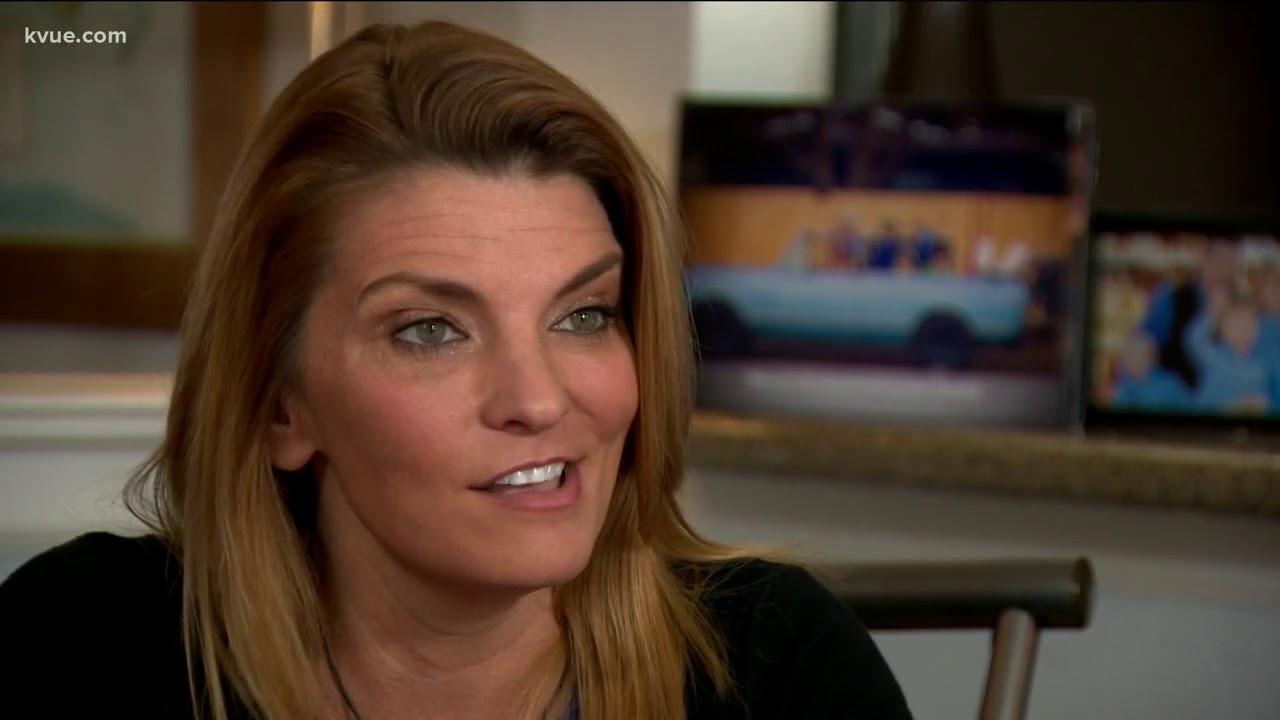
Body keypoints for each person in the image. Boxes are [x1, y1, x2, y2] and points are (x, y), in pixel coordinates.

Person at [0, 20, 912, 720]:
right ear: (281, 405)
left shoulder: (776, 664)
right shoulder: (83, 646)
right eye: (431, 330)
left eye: (584, 315)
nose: (538, 400)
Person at [1109, 331, 1192, 410]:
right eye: (1130, 355)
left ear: (1153, 358)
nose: (1135, 361)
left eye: (1142, 355)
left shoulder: (1169, 383)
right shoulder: (1122, 386)